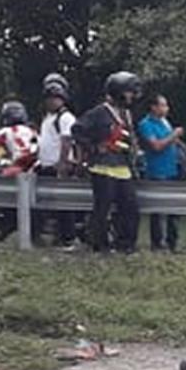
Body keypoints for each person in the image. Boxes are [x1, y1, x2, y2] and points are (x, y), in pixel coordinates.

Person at [73, 71, 142, 254]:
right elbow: (77, 130)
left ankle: (126, 244)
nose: (132, 96)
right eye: (129, 92)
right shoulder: (99, 113)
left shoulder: (126, 114)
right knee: (102, 209)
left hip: (123, 168)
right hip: (103, 168)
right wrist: (95, 147)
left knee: (130, 208)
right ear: (118, 91)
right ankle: (100, 245)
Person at [36, 74, 80, 249]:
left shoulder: (65, 117)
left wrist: (63, 163)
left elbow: (66, 140)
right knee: (46, 203)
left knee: (63, 204)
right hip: (46, 164)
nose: (52, 102)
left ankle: (68, 239)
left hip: (59, 165)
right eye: (49, 98)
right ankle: (54, 235)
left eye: (55, 98)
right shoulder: (48, 118)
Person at [138, 94, 184, 252]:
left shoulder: (165, 122)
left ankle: (172, 242)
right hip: (157, 171)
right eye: (163, 105)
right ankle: (157, 244)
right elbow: (156, 146)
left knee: (174, 208)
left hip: (172, 170)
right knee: (157, 211)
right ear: (154, 107)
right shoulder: (146, 124)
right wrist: (174, 135)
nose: (166, 108)